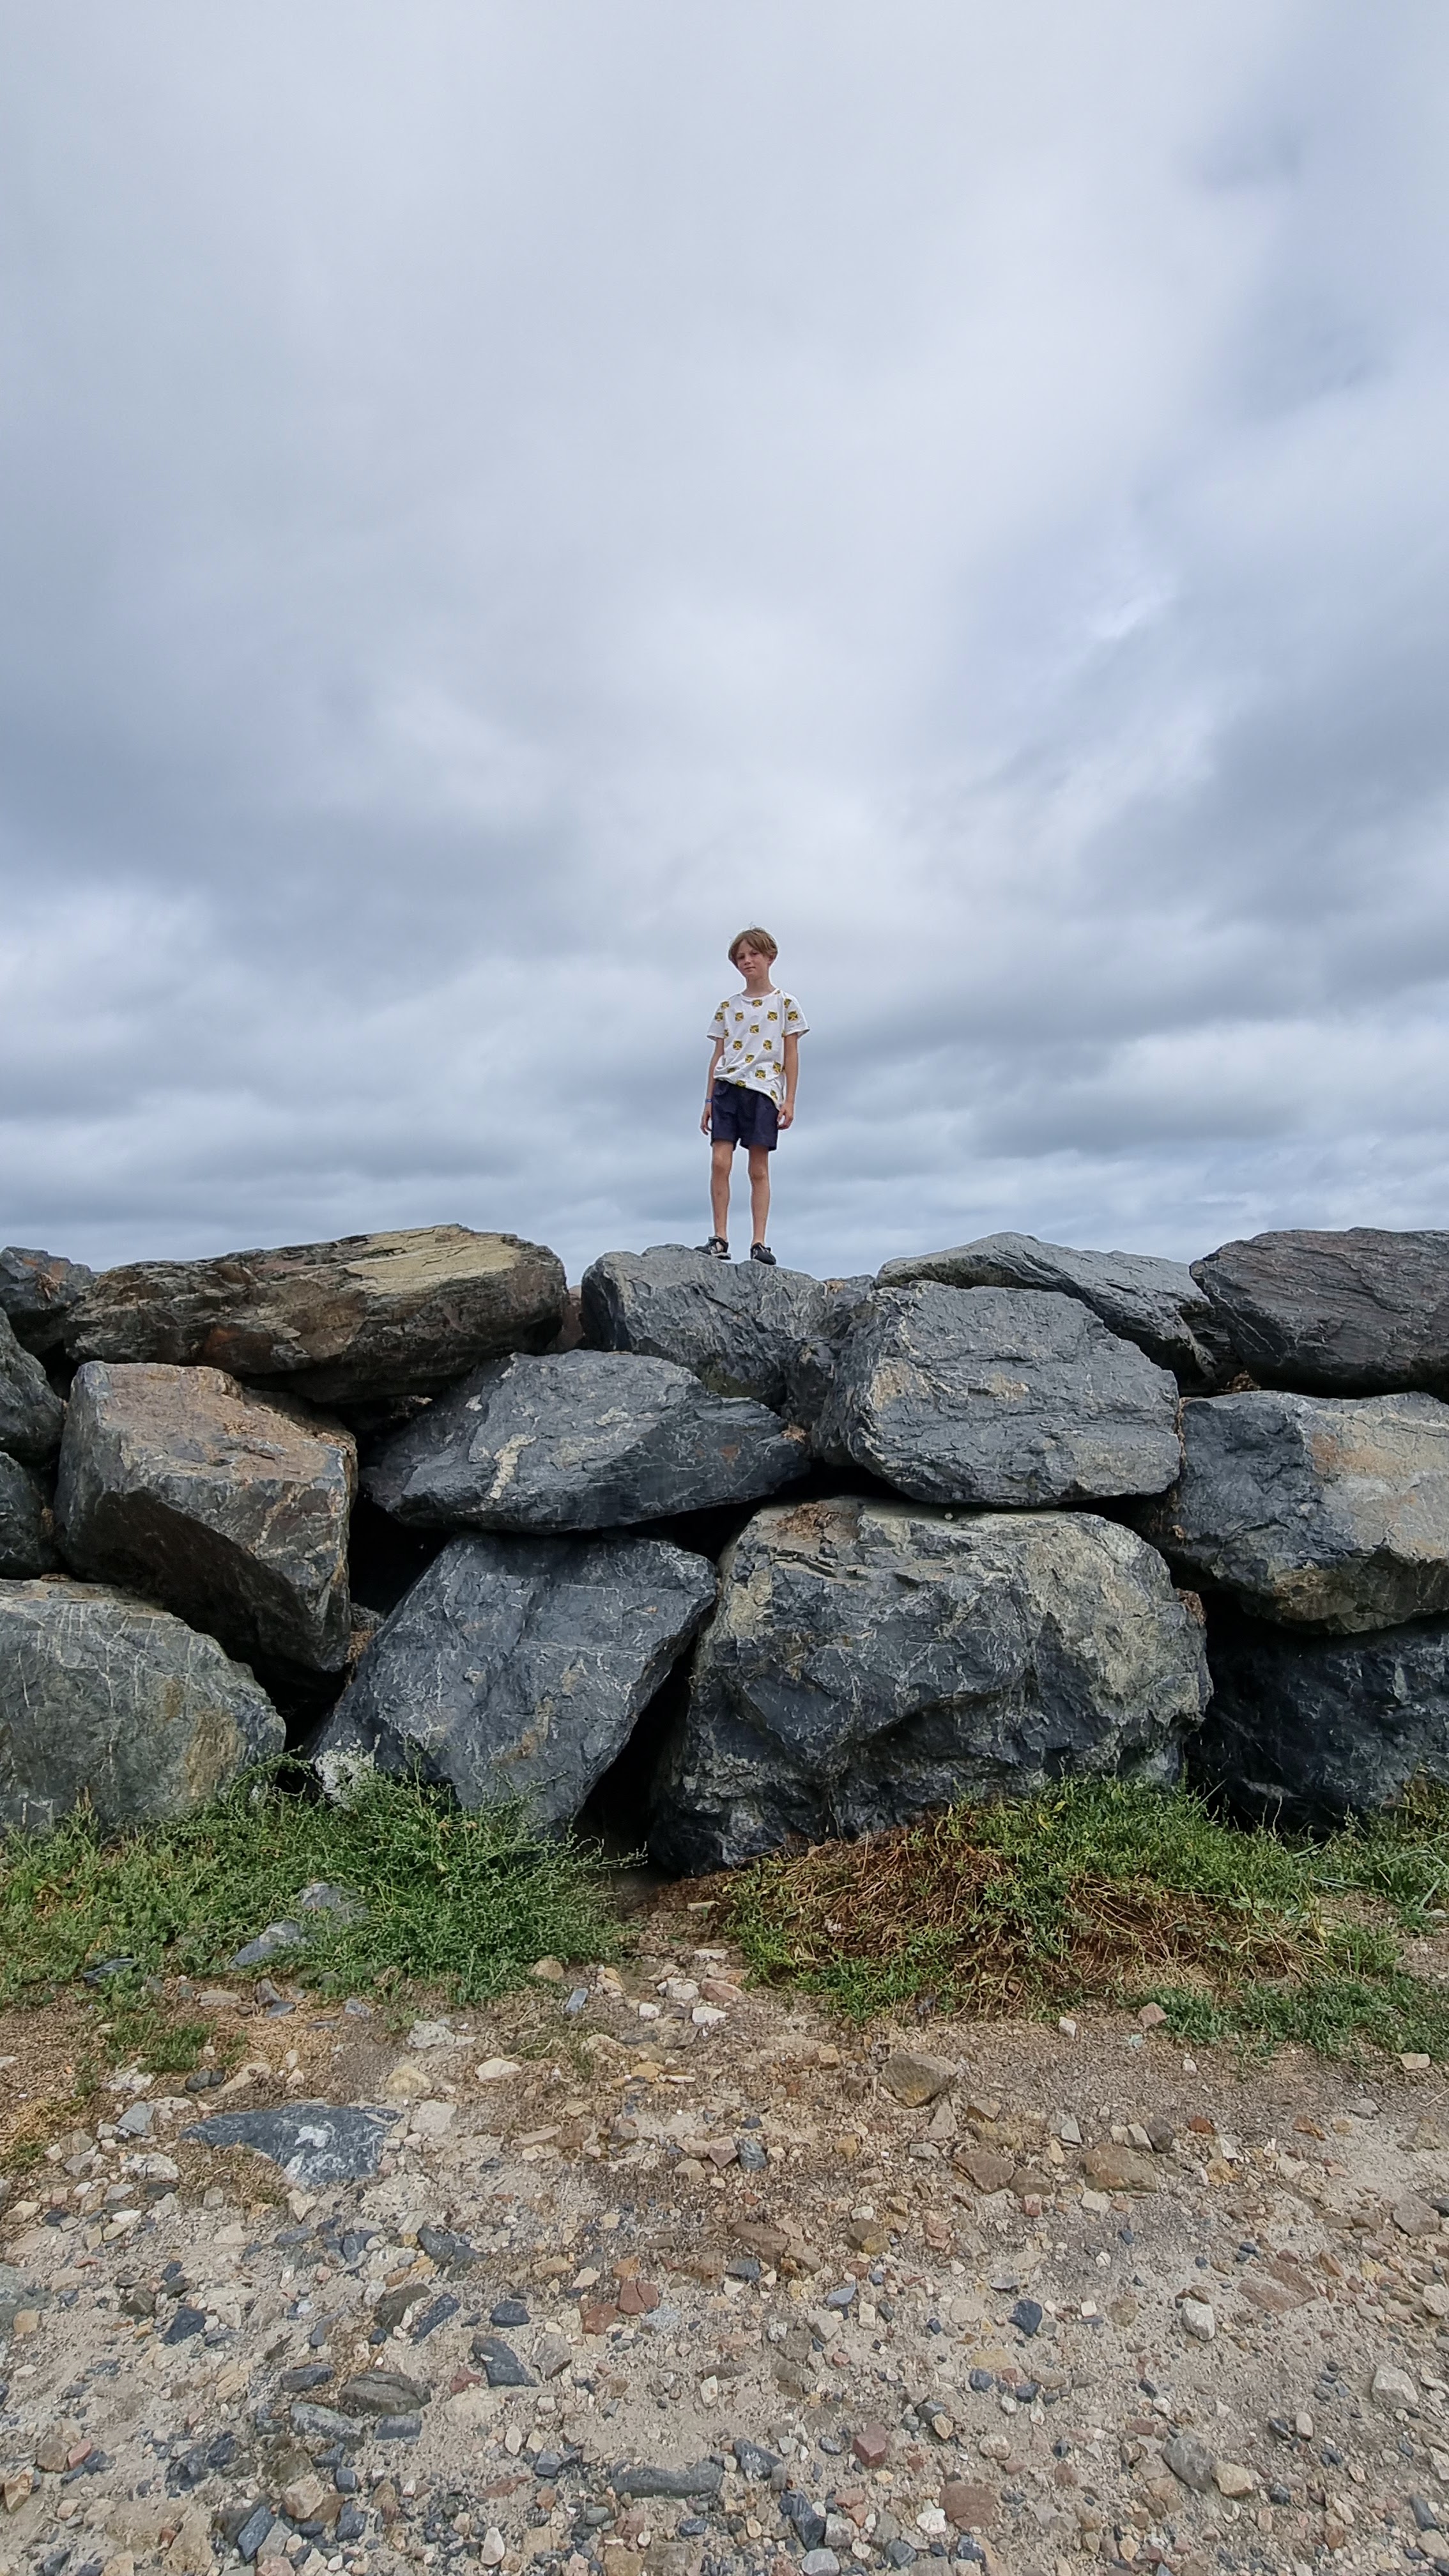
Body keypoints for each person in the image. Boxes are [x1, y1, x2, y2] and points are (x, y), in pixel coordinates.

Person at [698, 927, 808, 1264]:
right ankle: (720, 1238)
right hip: (727, 1087)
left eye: (753, 954)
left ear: (770, 957)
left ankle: (759, 1242)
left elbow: (791, 1054)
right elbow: (718, 1055)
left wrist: (789, 1100)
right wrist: (708, 1100)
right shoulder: (727, 1007)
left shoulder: (786, 1004)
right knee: (720, 1161)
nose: (747, 961)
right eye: (741, 957)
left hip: (764, 1091)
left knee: (758, 1168)